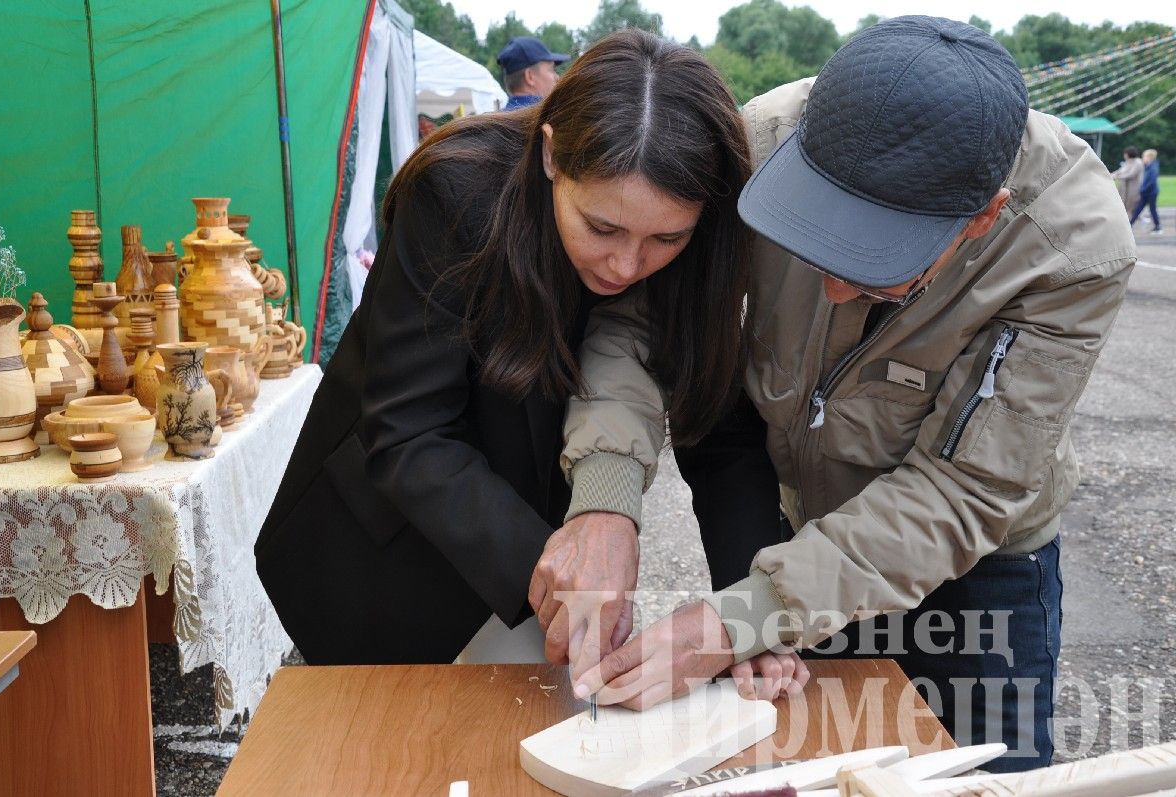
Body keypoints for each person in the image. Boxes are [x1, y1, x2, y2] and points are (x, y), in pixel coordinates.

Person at [544, 17, 1136, 773]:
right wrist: (605, 493)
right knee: (823, 768)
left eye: (875, 264)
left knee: (989, 776)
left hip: (983, 567)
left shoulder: (1068, 248)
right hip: (807, 532)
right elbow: (648, 321)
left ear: (982, 217)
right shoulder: (760, 137)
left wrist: (740, 618)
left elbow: (966, 486)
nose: (828, 287)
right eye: (810, 234)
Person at [254, 30, 763, 668]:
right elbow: (408, 429)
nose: (628, 264)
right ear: (552, 155)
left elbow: (722, 432)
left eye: (665, 238)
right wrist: (564, 572)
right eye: (601, 227)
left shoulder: (706, 241)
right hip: (400, 547)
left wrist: (749, 616)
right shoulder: (457, 195)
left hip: (532, 546)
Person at [497, 36, 569, 110]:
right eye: (551, 69)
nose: (557, 77)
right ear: (530, 76)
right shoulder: (549, 117)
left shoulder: (496, 119)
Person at [1131, 148, 1162, 234]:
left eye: (1144, 157)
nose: (1142, 159)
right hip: (1147, 192)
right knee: (1139, 208)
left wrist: (1142, 189)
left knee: (1151, 209)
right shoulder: (1149, 166)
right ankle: (1130, 225)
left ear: (1150, 157)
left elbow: (1151, 181)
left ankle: (1158, 227)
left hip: (1151, 193)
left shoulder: (1153, 167)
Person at [1111, 146, 1143, 214]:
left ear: (1128, 154)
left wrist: (1117, 177)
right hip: (1124, 188)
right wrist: (1111, 175)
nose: (1124, 155)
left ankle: (1132, 220)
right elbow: (1120, 171)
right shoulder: (1127, 162)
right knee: (1123, 204)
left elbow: (1131, 174)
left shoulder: (1138, 162)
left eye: (1125, 153)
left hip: (1133, 188)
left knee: (1131, 205)